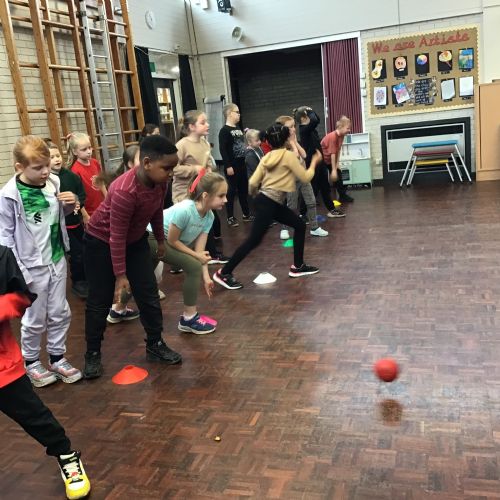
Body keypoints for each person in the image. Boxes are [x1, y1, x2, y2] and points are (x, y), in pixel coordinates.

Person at [82, 135, 182, 379]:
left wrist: (160, 240)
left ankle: (155, 344)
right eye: (167, 168)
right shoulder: (125, 190)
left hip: (134, 240)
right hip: (101, 242)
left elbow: (156, 211)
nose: (171, 173)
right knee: (99, 300)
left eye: (173, 168)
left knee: (148, 293)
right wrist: (120, 275)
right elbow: (116, 236)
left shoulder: (160, 182)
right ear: (147, 163)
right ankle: (92, 354)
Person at [0, 244, 91, 500]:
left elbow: (22, 298)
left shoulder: (1, 256)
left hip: (3, 368)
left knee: (35, 416)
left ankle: (66, 456)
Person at [0, 136, 82, 387]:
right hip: (31, 265)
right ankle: (32, 362)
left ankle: (57, 357)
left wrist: (70, 204)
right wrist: (20, 270)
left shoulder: (53, 182)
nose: (45, 171)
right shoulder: (9, 195)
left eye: (47, 165)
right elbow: (5, 237)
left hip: (56, 258)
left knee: (60, 312)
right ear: (20, 167)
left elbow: (56, 216)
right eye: (38, 167)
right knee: (35, 317)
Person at [213, 124, 321, 290]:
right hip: (269, 203)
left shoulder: (266, 157)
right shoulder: (288, 156)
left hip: (267, 201)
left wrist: (257, 197)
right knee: (253, 241)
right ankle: (224, 272)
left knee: (299, 225)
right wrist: (314, 162)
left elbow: (252, 183)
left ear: (269, 142)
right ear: (286, 140)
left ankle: (298, 266)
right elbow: (305, 177)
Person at [157, 171, 228, 334]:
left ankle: (118, 310)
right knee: (193, 266)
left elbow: (200, 251)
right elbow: (173, 240)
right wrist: (197, 257)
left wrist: (206, 277)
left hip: (164, 241)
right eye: (221, 196)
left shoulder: (209, 216)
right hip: (152, 238)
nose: (226, 200)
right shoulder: (185, 209)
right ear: (205, 196)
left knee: (141, 276)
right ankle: (188, 319)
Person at [174, 110, 228, 265]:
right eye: (203, 122)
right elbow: (173, 169)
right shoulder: (181, 145)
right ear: (191, 126)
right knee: (184, 226)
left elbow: (208, 164)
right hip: (185, 192)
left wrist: (209, 170)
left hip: (202, 190)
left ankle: (210, 254)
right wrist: (194, 169)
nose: (207, 125)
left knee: (207, 221)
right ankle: (178, 260)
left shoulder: (204, 143)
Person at [45, 139, 89, 299]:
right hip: (61, 226)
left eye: (57, 155)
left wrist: (77, 204)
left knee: (84, 251)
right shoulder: (47, 180)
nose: (56, 159)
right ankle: (78, 282)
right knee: (76, 254)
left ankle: (85, 278)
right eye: (51, 157)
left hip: (76, 223)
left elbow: (81, 194)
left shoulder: (71, 176)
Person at [275, 116, 328, 240]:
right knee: (291, 205)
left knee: (311, 201)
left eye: (294, 126)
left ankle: (314, 228)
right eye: (290, 127)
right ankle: (284, 228)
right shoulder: (281, 145)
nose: (294, 129)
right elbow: (296, 157)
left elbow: (303, 155)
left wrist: (295, 142)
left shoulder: (294, 140)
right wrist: (292, 143)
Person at [294, 106, 345, 218]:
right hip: (312, 162)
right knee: (312, 188)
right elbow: (315, 120)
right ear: (303, 119)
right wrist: (310, 111)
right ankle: (302, 213)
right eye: (308, 116)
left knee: (325, 186)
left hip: (320, 161)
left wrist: (310, 110)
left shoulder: (311, 129)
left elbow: (317, 119)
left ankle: (331, 209)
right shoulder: (303, 129)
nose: (310, 117)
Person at [218, 103, 253, 227]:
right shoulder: (224, 131)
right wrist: (228, 166)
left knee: (243, 189)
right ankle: (230, 217)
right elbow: (223, 149)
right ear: (229, 113)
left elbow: (240, 145)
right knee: (231, 191)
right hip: (232, 165)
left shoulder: (237, 128)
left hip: (242, 164)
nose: (239, 114)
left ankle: (246, 214)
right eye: (236, 112)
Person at [66, 132, 104, 221]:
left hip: (102, 207)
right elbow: (77, 196)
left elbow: (101, 183)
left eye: (89, 147)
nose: (89, 151)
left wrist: (108, 199)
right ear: (75, 152)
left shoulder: (95, 163)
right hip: (89, 212)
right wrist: (85, 215)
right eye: (84, 149)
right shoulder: (75, 170)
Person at [321, 115, 354, 203]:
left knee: (338, 174)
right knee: (322, 179)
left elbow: (338, 150)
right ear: (341, 127)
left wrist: (337, 164)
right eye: (347, 128)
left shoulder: (342, 136)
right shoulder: (333, 136)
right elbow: (332, 153)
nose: (349, 130)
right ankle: (316, 199)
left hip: (330, 159)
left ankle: (342, 196)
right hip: (322, 160)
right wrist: (333, 170)